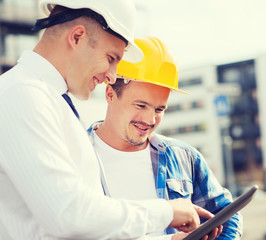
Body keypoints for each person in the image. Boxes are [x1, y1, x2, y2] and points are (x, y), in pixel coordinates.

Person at [0, 1, 213, 239]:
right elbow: (69, 216)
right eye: (111, 58)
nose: (111, 76)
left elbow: (85, 231)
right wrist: (166, 212)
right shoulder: (21, 95)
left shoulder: (49, 101)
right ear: (78, 37)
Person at [87, 36, 243, 239]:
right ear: (110, 94)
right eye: (140, 105)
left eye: (159, 109)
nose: (150, 120)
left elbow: (227, 216)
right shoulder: (76, 155)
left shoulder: (185, 158)